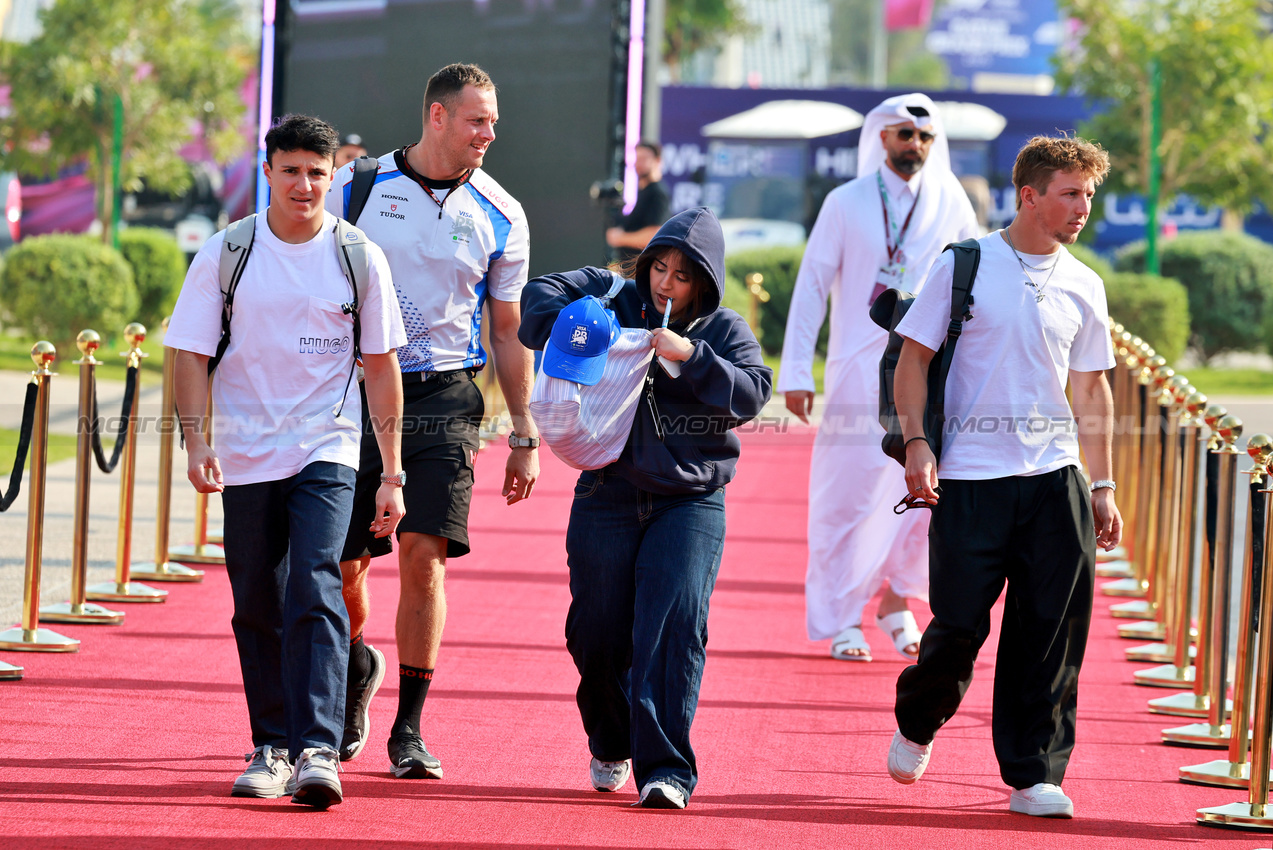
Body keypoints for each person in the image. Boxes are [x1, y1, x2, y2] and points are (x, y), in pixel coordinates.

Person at [166, 114, 406, 807]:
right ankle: (271, 743)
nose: (304, 184)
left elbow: (380, 363)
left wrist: (390, 471)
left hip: (326, 443)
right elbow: (189, 351)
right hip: (244, 451)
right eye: (291, 170)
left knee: (315, 580)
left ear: (334, 178)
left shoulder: (358, 254)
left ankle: (318, 750)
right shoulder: (228, 250)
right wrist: (197, 439)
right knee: (256, 600)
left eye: (317, 173)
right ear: (267, 171)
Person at [885, 135, 1121, 819]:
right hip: (970, 479)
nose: (1083, 207)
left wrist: (1099, 487)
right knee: (956, 630)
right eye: (1070, 193)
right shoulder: (965, 265)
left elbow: (1091, 392)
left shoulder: (1083, 282)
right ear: (1029, 194)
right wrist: (917, 443)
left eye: (1088, 194)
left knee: (1050, 633)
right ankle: (917, 718)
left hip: (1055, 482)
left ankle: (1032, 774)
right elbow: (912, 360)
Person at [519, 207, 773, 809]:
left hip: (691, 502)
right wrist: (582, 327)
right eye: (659, 266)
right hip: (604, 492)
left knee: (674, 626)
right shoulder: (612, 294)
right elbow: (535, 302)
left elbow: (752, 394)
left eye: (682, 275)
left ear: (704, 283)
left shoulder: (723, 328)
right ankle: (610, 739)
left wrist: (690, 357)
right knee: (596, 633)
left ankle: (666, 770)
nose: (665, 282)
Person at [325, 62, 538, 778]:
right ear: (438, 117)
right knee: (345, 565)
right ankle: (357, 664)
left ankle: (407, 731)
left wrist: (524, 435)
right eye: (478, 120)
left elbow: (507, 333)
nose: (489, 133)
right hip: (353, 396)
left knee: (425, 558)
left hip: (448, 398)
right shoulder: (356, 187)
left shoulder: (501, 211)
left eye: (494, 122)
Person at [777, 94, 979, 663]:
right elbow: (813, 285)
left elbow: (974, 282)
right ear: (881, 139)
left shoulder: (951, 200)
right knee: (849, 494)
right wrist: (796, 370)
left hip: (928, 372)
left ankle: (896, 600)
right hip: (853, 371)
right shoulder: (846, 201)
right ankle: (842, 617)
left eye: (924, 138)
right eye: (903, 135)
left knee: (930, 492)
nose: (914, 145)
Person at [605, 140, 670, 264]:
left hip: (640, 271)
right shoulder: (642, 191)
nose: (638, 163)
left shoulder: (657, 193)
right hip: (629, 269)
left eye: (644, 158)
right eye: (637, 158)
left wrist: (620, 238)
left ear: (657, 161)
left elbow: (654, 235)